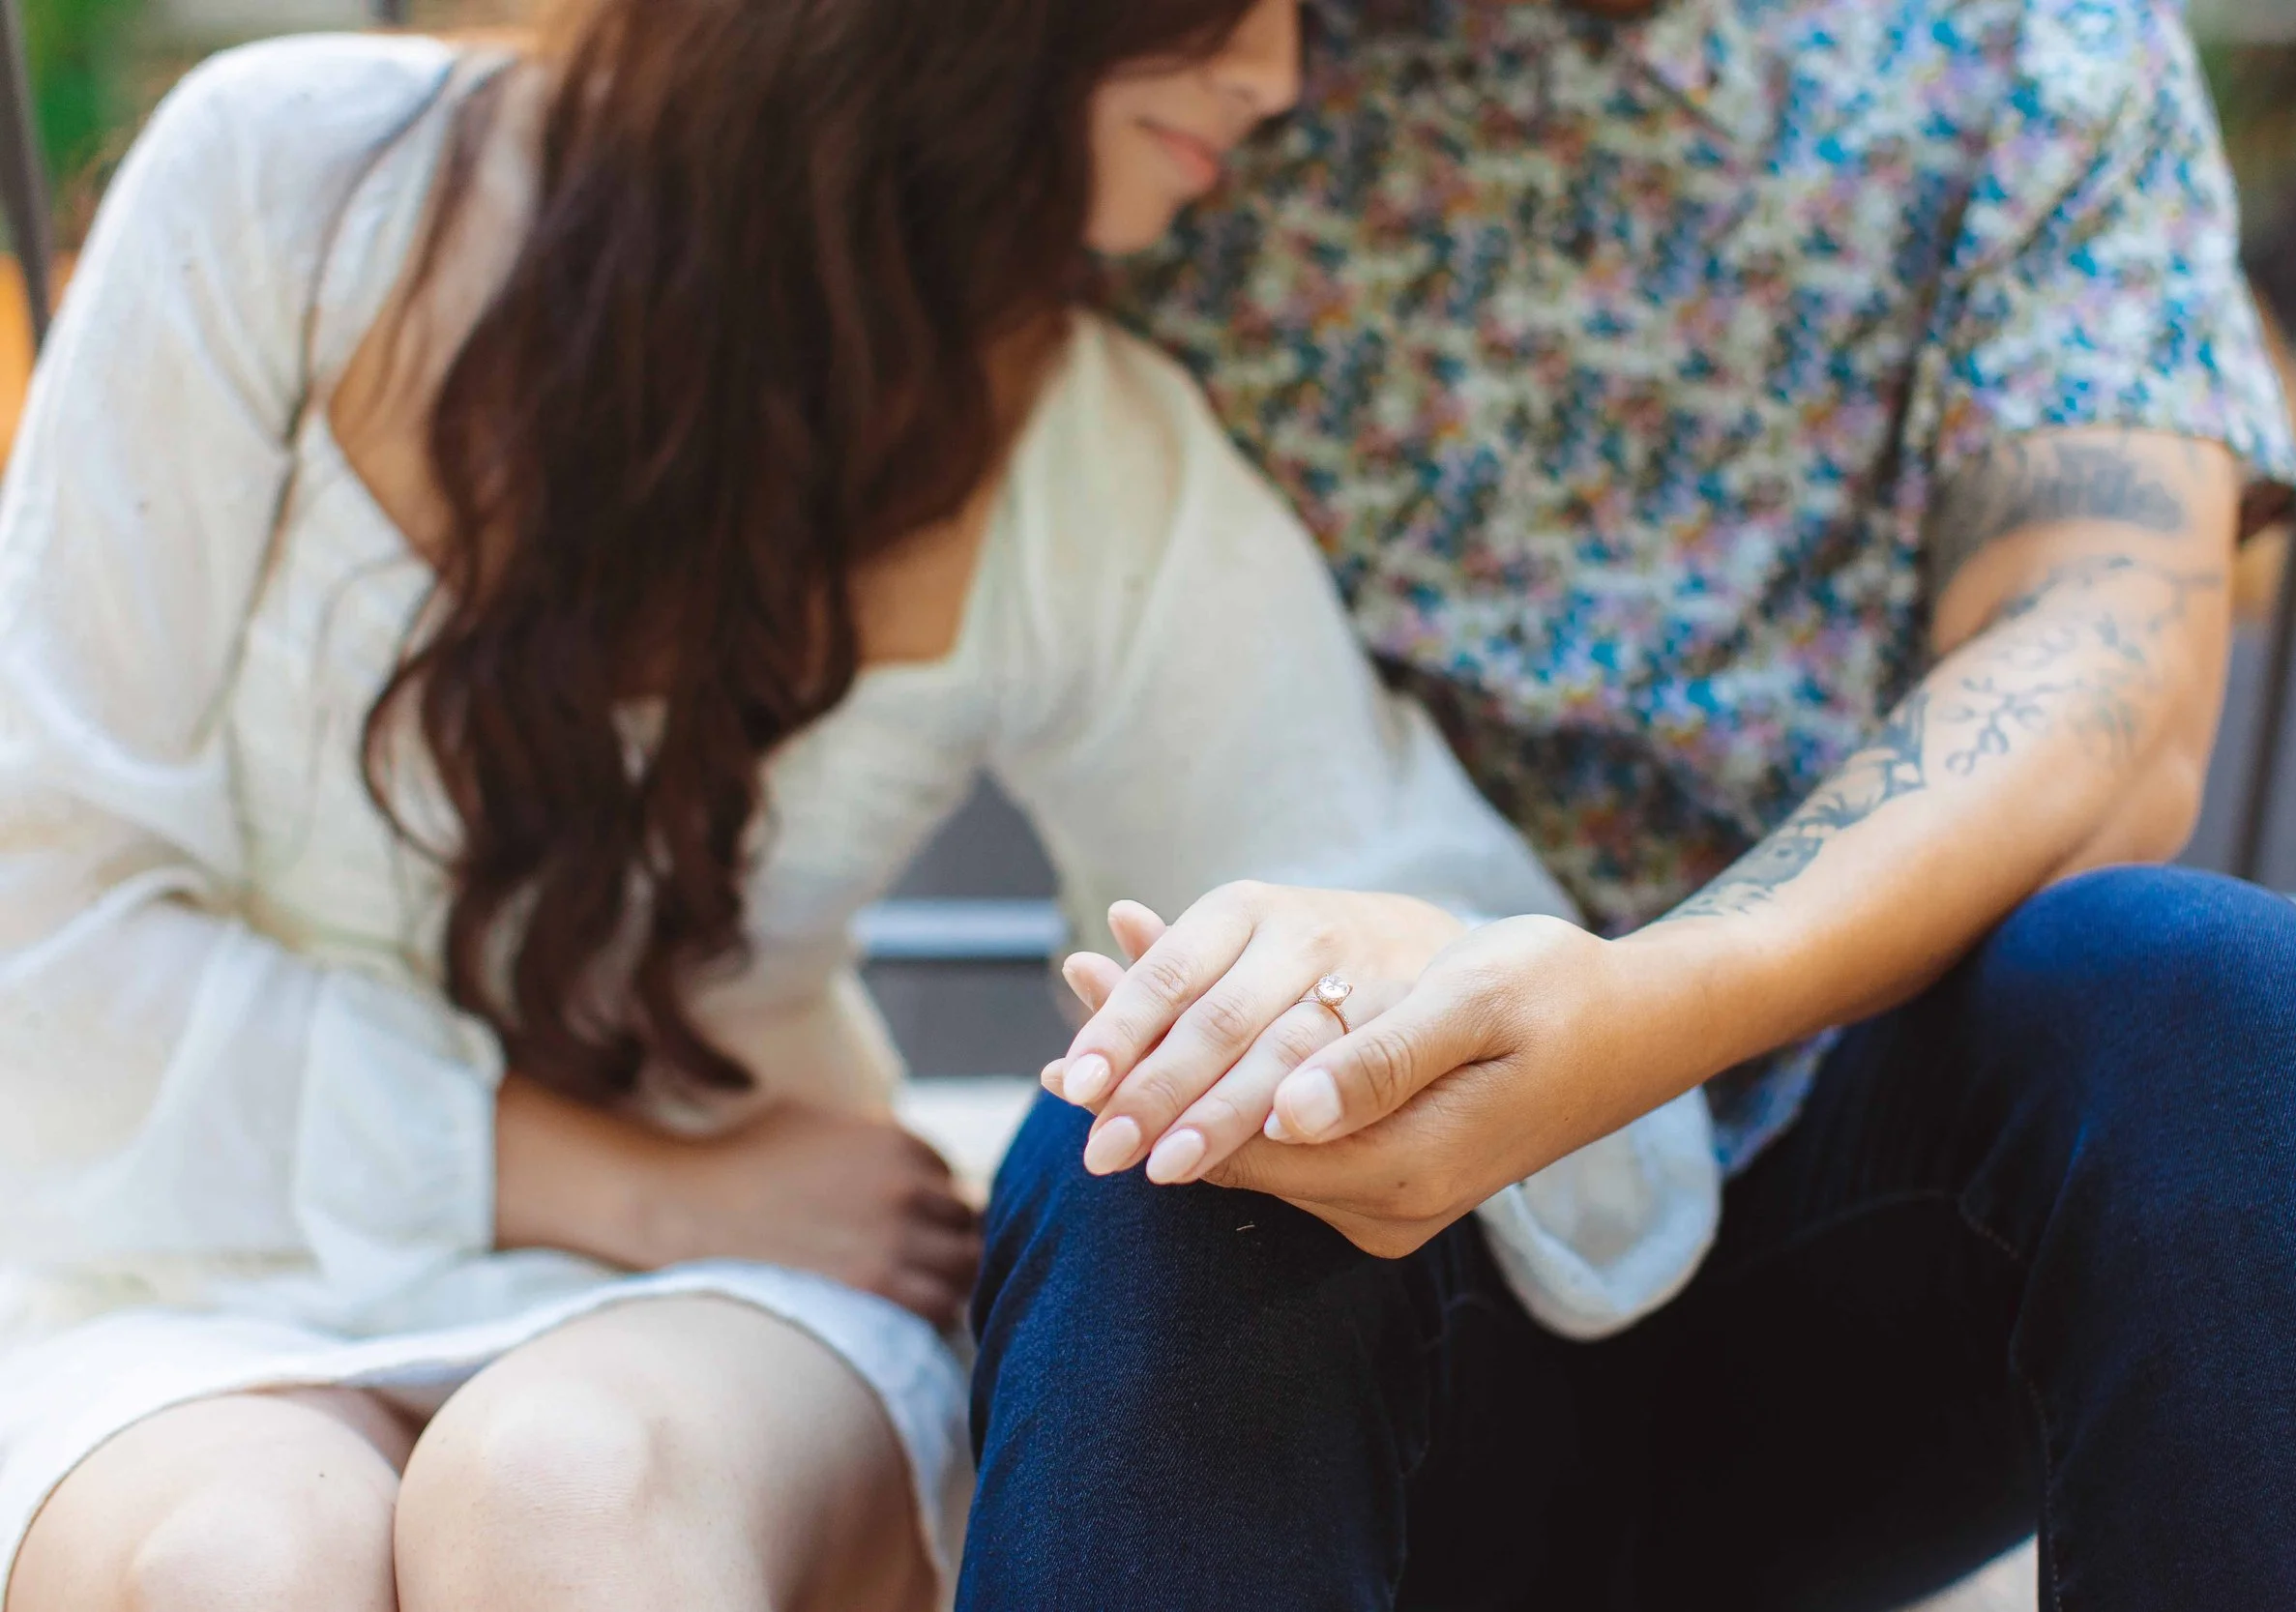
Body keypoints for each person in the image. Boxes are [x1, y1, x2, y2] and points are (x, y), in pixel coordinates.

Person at [0, 0, 1603, 1605]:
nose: (1280, 72)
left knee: (566, 1488)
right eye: (1231, 5)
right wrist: (621, 1179)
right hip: (167, 1246)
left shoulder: (1074, 445)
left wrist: (1353, 954)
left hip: (736, 1285)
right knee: (232, 1558)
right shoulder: (295, 182)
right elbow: (37, 928)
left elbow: (1406, 891)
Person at [962, 0, 2296, 1606]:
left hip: (1850, 1201)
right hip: (1356, 1226)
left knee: (2217, 997)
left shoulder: (2029, 42)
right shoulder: (1214, 52)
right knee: (1163, 1145)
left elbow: (2107, 663)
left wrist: (1641, 1008)